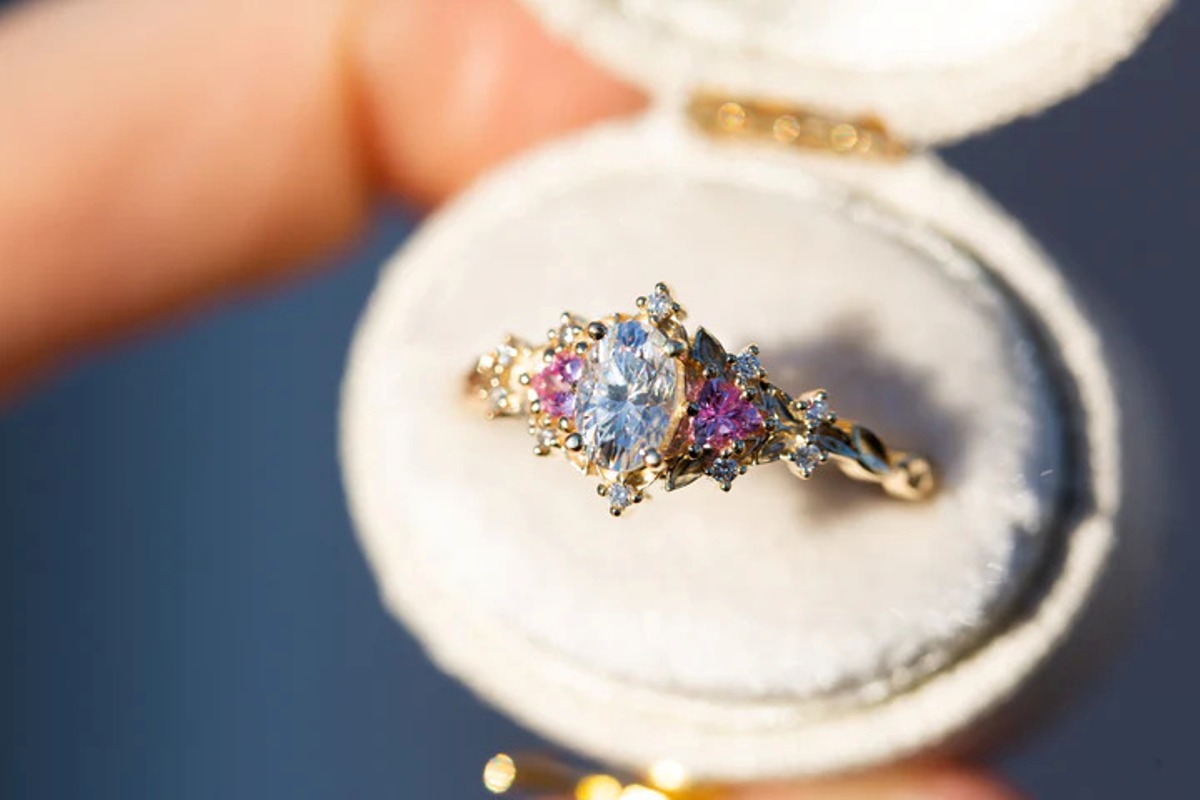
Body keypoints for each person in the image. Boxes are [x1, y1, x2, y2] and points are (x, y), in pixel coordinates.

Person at [0, 1, 1020, 797]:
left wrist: (873, 462)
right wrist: (515, 385)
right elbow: (518, 383)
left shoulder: (742, 419)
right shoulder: (574, 385)